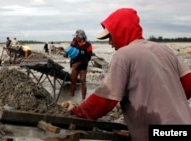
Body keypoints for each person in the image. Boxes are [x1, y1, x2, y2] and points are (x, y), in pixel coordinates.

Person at [69, 8, 191, 141]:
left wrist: (76, 112)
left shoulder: (123, 55)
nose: (110, 43)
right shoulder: (164, 49)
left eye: (110, 37)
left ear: (121, 31)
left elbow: (104, 100)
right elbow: (188, 83)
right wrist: (167, 100)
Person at [67, 29, 93, 100]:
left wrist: (79, 63)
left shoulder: (88, 45)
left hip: (83, 65)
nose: (76, 37)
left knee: (82, 80)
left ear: (81, 36)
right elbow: (70, 50)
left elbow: (88, 57)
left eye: (77, 36)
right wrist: (67, 54)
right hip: (74, 64)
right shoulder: (74, 42)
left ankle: (83, 100)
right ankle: (71, 98)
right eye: (75, 36)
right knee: (72, 80)